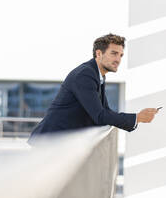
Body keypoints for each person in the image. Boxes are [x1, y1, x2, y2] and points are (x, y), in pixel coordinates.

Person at [28, 33, 157, 145]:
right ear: (99, 53)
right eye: (114, 53)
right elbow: (100, 115)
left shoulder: (98, 75)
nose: (118, 59)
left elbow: (105, 111)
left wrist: (136, 118)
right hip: (48, 144)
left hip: (59, 143)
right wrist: (136, 118)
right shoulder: (86, 74)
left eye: (121, 55)